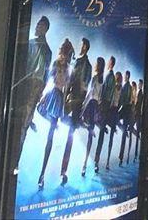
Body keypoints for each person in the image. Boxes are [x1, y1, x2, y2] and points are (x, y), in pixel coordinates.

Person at [9, 15, 51, 177]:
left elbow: (44, 75)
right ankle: (13, 161)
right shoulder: (31, 44)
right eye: (37, 25)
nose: (36, 27)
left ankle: (15, 163)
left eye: (40, 25)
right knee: (20, 125)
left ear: (45, 28)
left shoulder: (45, 50)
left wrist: (39, 93)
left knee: (22, 127)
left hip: (32, 87)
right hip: (23, 85)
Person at [36, 39, 74, 189]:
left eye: (69, 53)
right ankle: (42, 174)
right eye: (68, 53)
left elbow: (65, 90)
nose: (68, 56)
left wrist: (64, 106)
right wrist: (43, 94)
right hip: (52, 95)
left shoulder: (68, 69)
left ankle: (42, 175)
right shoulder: (56, 64)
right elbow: (49, 81)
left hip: (59, 99)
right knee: (42, 112)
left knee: (50, 136)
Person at [59, 37, 92, 185]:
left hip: (77, 101)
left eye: (82, 45)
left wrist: (77, 102)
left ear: (85, 47)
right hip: (70, 97)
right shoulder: (77, 60)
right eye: (80, 45)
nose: (80, 47)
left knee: (70, 135)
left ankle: (63, 171)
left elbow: (85, 86)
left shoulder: (87, 65)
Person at [79, 56, 105, 178]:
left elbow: (90, 93)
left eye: (96, 63)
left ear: (98, 65)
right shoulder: (102, 80)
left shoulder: (95, 78)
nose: (95, 65)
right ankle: (86, 164)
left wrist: (83, 106)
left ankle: (84, 164)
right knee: (89, 136)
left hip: (90, 105)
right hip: (95, 106)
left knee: (83, 124)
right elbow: (99, 97)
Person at [93, 56, 117, 173]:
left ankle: (96, 160)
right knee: (100, 128)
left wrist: (101, 101)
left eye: (109, 62)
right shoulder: (109, 75)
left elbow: (106, 90)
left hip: (104, 104)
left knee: (100, 128)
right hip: (105, 104)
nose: (108, 63)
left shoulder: (110, 76)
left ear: (111, 64)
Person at [117, 72, 134, 165]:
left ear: (127, 76)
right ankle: (121, 157)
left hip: (125, 109)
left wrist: (119, 107)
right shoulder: (128, 87)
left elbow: (124, 99)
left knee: (116, 120)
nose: (123, 77)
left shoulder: (127, 87)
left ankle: (121, 156)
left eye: (124, 76)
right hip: (126, 109)